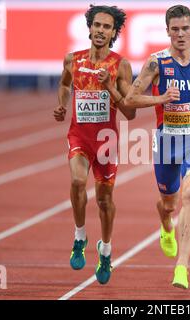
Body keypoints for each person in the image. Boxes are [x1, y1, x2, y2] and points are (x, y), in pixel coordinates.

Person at [124, 4, 190, 289]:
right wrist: (160, 99)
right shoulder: (157, 63)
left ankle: (182, 267)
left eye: (185, 29)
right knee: (169, 203)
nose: (181, 34)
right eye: (175, 29)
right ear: (167, 31)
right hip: (167, 141)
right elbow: (131, 98)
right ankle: (166, 225)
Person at [53, 5, 135, 285]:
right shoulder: (72, 60)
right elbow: (65, 85)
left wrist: (111, 86)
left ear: (114, 32)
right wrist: (62, 105)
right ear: (89, 27)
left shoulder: (120, 65)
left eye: (107, 27)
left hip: (106, 143)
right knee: (77, 181)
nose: (101, 30)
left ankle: (106, 251)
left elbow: (131, 111)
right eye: (97, 25)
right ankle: (79, 237)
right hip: (79, 136)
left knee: (104, 201)